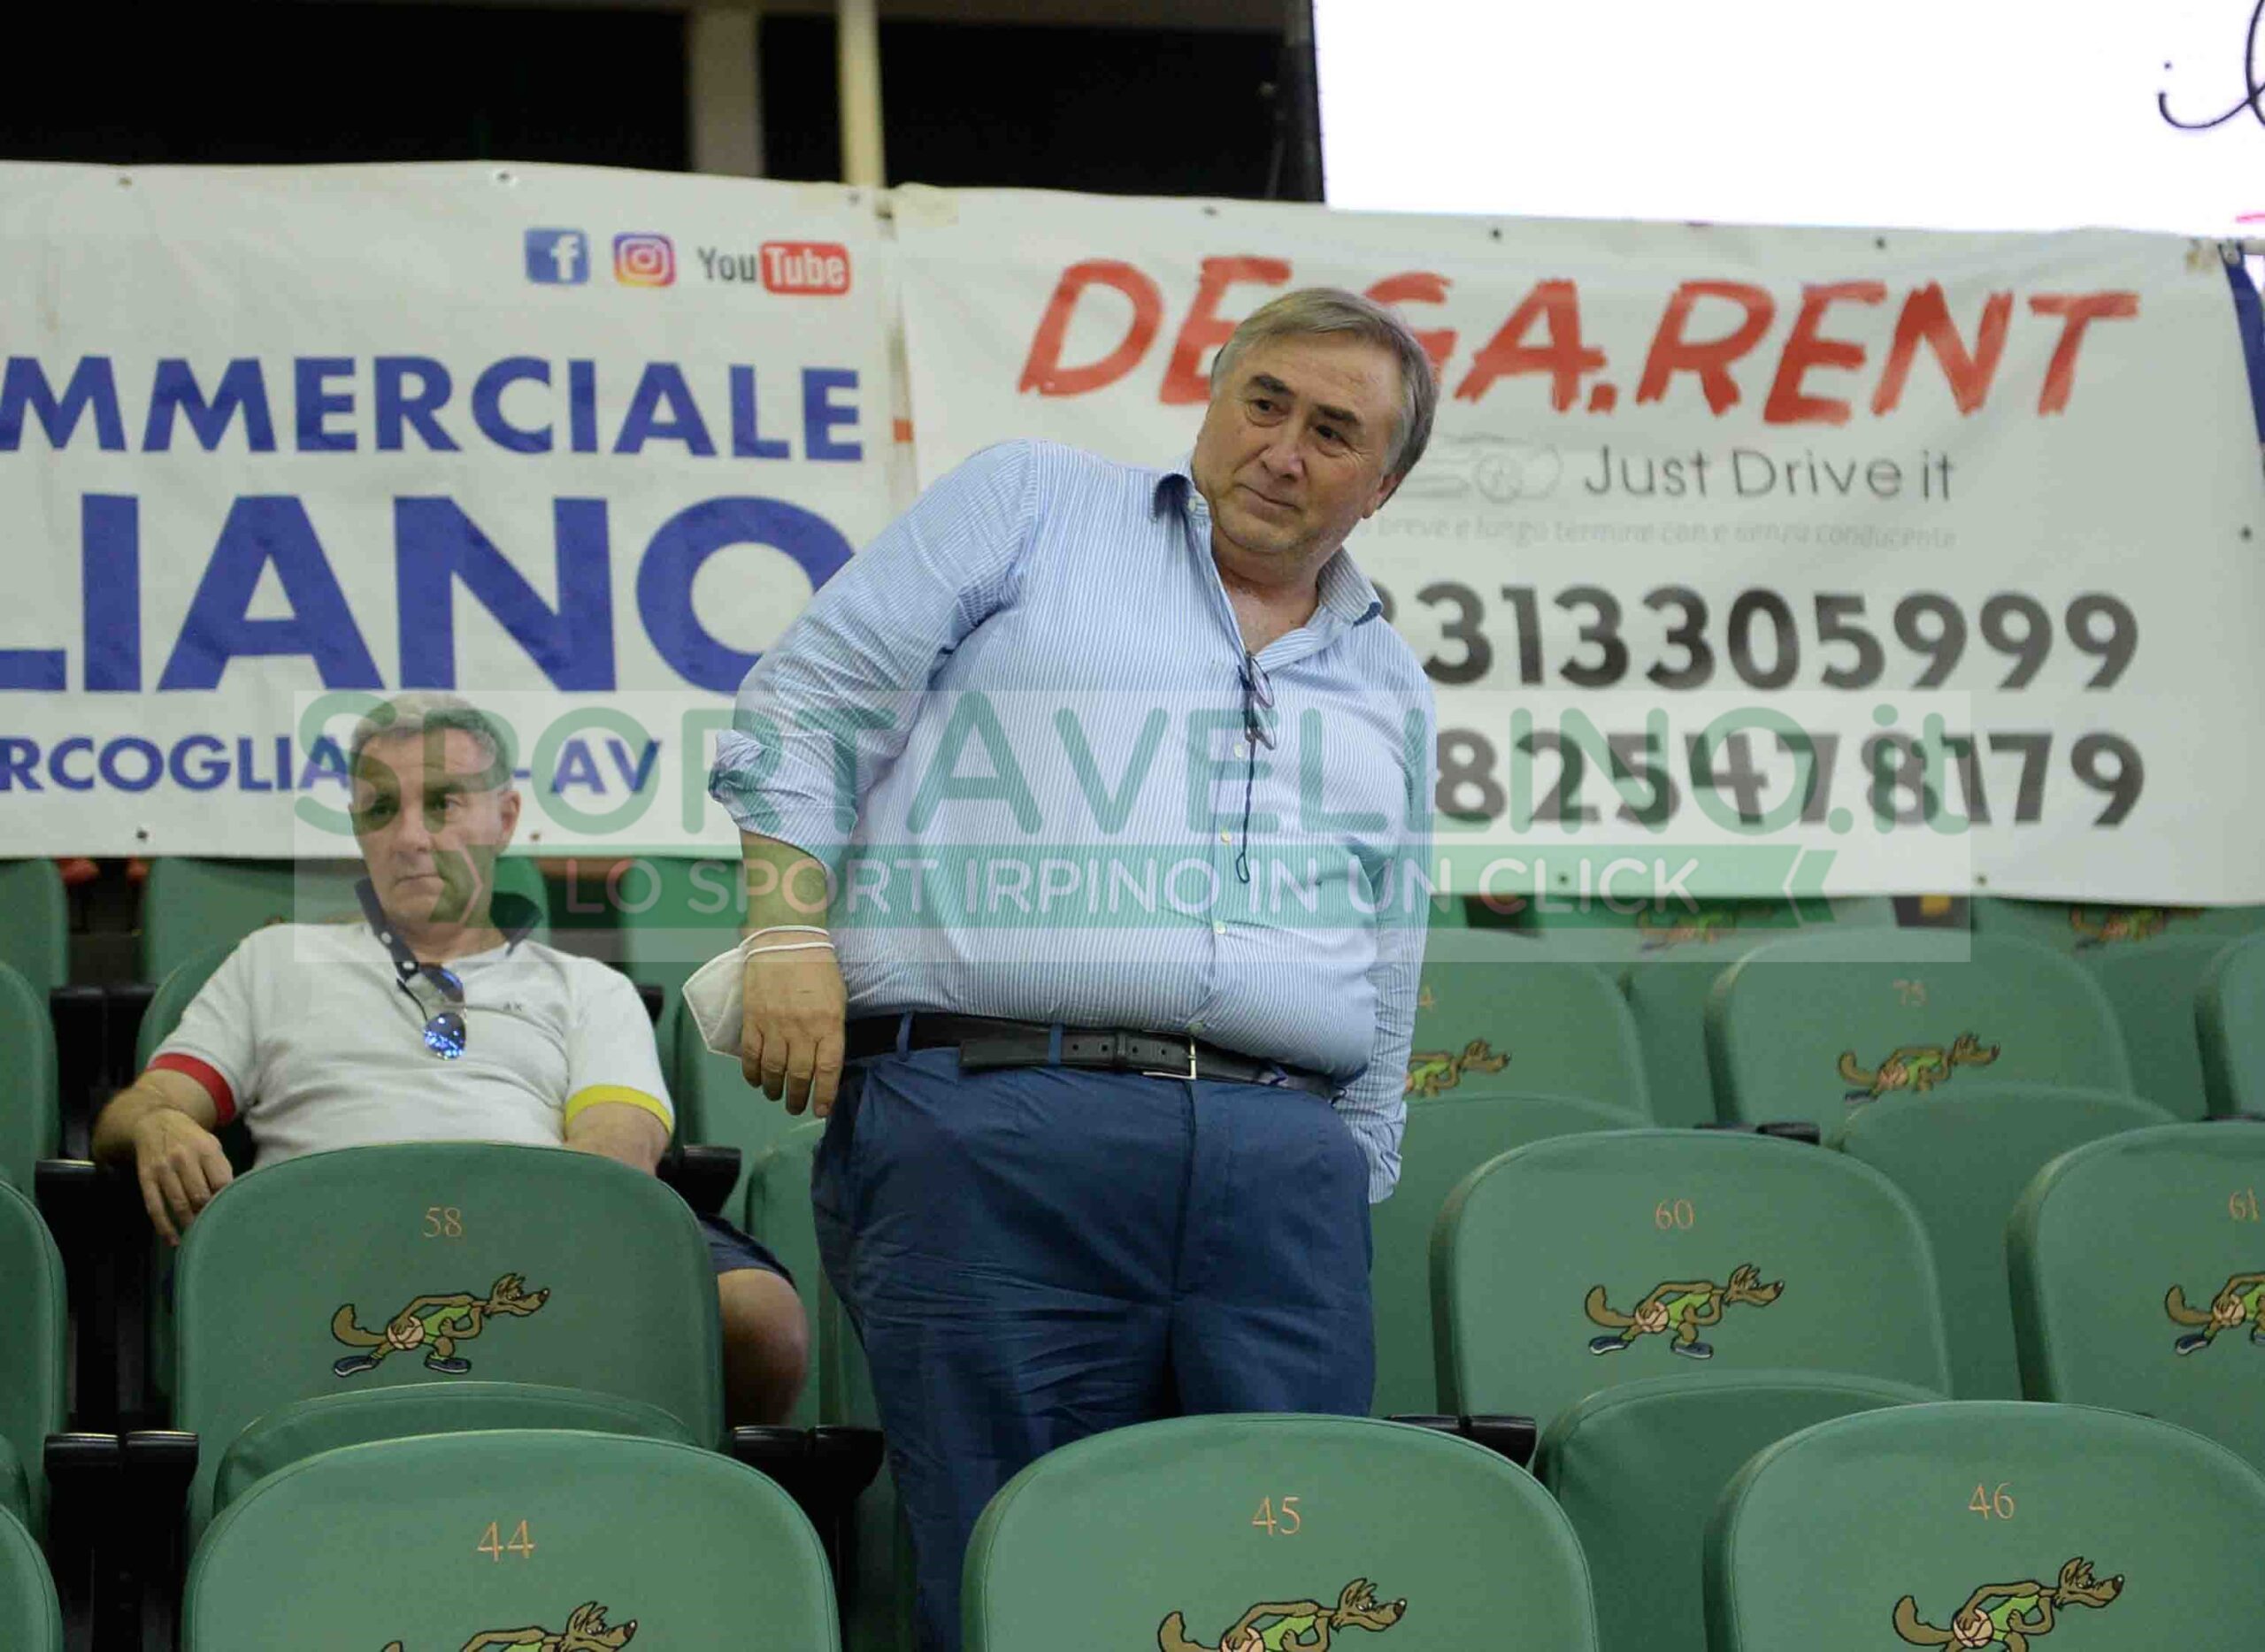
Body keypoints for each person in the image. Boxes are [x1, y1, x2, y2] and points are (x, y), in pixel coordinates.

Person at [703, 288, 1439, 1648]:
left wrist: (1349, 1164)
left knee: (1283, 1569)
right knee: (1012, 1569)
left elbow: (1391, 935)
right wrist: (788, 931)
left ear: (1380, 485)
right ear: (1215, 395)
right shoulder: (1034, 501)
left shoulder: (1390, 675)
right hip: (997, 1124)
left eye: (1334, 432)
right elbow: (809, 702)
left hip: (1281, 1175)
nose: (1282, 448)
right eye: (1264, 401)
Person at [92, 692, 809, 1425]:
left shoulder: (588, 987)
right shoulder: (272, 961)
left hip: (542, 1233)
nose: (410, 837)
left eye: (442, 803)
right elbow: (143, 1107)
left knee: (758, 1316)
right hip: (327, 1238)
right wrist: (156, 1124)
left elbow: (616, 1157)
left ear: (505, 816)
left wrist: (479, 1238)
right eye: (381, 809)